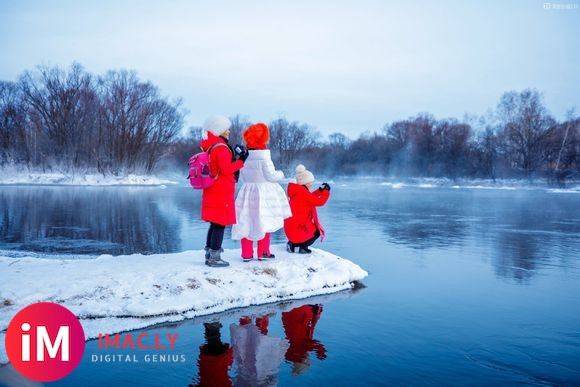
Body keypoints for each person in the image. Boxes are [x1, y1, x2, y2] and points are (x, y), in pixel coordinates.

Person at [232, 123, 291, 261]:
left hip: (247, 191)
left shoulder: (244, 157)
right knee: (265, 220)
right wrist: (281, 174)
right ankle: (263, 252)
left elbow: (240, 176)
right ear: (263, 139)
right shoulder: (264, 157)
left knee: (246, 221)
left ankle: (246, 254)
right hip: (264, 193)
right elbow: (271, 176)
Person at [200, 115, 249, 267]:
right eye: (226, 129)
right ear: (219, 130)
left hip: (212, 189)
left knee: (215, 223)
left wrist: (235, 158)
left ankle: (209, 253)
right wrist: (241, 161)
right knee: (220, 224)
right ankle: (214, 258)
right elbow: (226, 169)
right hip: (221, 191)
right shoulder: (221, 147)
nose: (228, 131)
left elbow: (220, 167)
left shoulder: (211, 146)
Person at [229, 314, 288, 386]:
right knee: (257, 344)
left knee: (246, 344)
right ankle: (258, 318)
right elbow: (273, 379)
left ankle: (251, 319)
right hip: (259, 371)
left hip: (249, 373)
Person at [284, 165, 330, 254]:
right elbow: (319, 202)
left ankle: (292, 244)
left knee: (302, 227)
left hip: (289, 230)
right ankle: (303, 248)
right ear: (304, 183)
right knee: (317, 231)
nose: (311, 184)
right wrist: (326, 192)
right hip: (298, 229)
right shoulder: (303, 194)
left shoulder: (297, 191)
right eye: (309, 182)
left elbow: (309, 198)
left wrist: (319, 190)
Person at [282, 304, 326, 376]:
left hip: (299, 313)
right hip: (287, 314)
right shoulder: (288, 356)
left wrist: (321, 351)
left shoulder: (302, 349)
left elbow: (315, 345)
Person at [194, 321, 233, 387]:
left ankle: (212, 326)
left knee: (214, 341)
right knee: (213, 341)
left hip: (218, 361)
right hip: (210, 361)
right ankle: (211, 326)